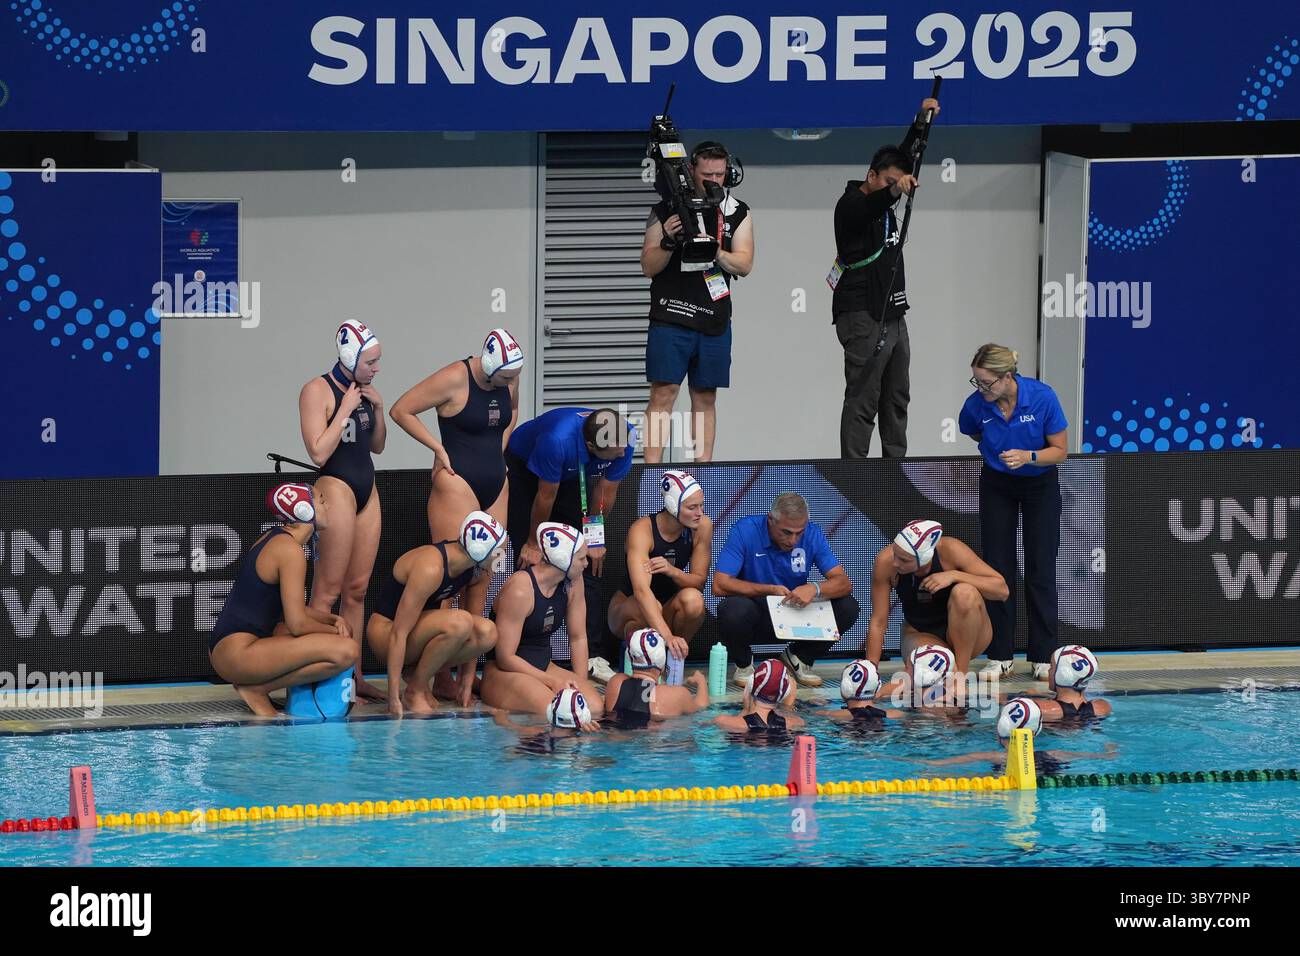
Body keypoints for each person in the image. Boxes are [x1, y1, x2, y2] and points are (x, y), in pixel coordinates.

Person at [389, 328, 524, 702]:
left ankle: (465, 680)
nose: (511, 383)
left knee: (483, 578)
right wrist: (438, 449)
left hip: (496, 485)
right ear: (492, 364)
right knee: (449, 584)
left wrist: (499, 454)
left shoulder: (509, 374)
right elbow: (401, 409)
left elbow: (511, 414)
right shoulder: (454, 377)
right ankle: (434, 676)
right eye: (507, 378)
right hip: (455, 482)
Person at [831, 96, 941, 459]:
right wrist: (896, 189)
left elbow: (904, 157)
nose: (896, 187)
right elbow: (872, 204)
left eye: (900, 181)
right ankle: (855, 476)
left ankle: (895, 473)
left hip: (893, 312)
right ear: (871, 176)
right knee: (863, 398)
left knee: (897, 397)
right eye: (889, 182)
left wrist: (919, 122)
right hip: (862, 314)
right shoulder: (852, 204)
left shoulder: (886, 189)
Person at [958, 344, 1069, 679]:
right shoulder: (976, 406)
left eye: (987, 383)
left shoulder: (1042, 398)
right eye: (976, 382)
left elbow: (1060, 451)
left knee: (1041, 564)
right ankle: (1000, 653)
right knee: (997, 568)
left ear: (1008, 377)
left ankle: (1042, 654)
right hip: (997, 485)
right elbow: (973, 431)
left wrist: (1028, 457)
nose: (982, 389)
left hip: (1040, 483)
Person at [641, 141, 754, 464]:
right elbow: (648, 266)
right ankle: (650, 469)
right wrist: (667, 238)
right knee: (663, 394)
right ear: (691, 171)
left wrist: (715, 249)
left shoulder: (737, 211)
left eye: (720, 174)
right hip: (671, 315)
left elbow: (744, 264)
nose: (713, 181)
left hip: (714, 320)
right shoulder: (665, 209)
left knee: (705, 395)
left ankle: (702, 469)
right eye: (707, 174)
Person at [504, 406, 635, 681]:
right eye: (617, 451)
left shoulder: (625, 437)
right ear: (591, 446)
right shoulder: (557, 440)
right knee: (527, 555)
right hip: (527, 466)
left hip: (577, 475)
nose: (624, 453)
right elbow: (545, 497)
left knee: (586, 558)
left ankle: (593, 655)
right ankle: (515, 652)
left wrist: (594, 538)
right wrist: (532, 543)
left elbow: (605, 490)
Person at [209, 483, 358, 717]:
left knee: (297, 631)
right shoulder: (289, 551)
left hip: (229, 649)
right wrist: (336, 633)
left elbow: (292, 609)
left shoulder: (276, 539)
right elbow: (298, 625)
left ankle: (257, 687)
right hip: (238, 654)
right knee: (346, 650)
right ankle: (258, 688)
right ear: (302, 510)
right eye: (321, 500)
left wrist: (332, 619)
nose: (327, 505)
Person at [298, 320, 386, 701]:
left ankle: (354, 676)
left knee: (357, 589)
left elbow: (378, 446)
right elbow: (317, 451)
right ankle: (311, 679)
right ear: (349, 358)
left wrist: (377, 409)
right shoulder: (317, 390)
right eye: (370, 362)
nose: (376, 368)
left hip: (368, 490)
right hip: (335, 486)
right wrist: (345, 408)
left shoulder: (367, 392)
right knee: (326, 593)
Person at [713, 492, 860, 688]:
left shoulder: (813, 534)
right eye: (786, 532)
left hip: (794, 612)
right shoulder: (745, 530)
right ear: (770, 520)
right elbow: (720, 584)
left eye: (799, 533)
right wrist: (769, 589)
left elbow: (844, 583)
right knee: (732, 608)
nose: (793, 540)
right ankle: (744, 665)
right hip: (757, 615)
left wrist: (814, 588)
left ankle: (799, 658)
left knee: (848, 606)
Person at [365, 512, 505, 716]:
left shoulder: (472, 570)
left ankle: (417, 677)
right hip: (385, 634)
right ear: (481, 550)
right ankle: (414, 690)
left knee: (487, 632)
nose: (500, 557)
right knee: (460, 622)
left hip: (415, 634)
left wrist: (465, 684)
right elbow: (399, 632)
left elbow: (477, 626)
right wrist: (393, 698)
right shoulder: (431, 568)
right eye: (498, 551)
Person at [479, 522, 605, 718]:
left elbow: (578, 638)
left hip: (543, 666)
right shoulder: (520, 590)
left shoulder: (573, 583)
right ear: (563, 560)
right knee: (557, 712)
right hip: (504, 672)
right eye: (581, 559)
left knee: (593, 708)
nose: (586, 564)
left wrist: (580, 687)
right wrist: (550, 681)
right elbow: (505, 658)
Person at [861, 520, 1009, 674]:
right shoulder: (886, 561)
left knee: (965, 593)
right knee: (931, 669)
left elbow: (1002, 590)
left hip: (970, 635)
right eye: (895, 554)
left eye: (904, 560)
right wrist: (870, 670)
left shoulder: (951, 551)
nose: (896, 563)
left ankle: (960, 675)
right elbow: (878, 621)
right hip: (920, 633)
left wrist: (954, 576)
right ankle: (950, 673)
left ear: (925, 557)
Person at [607, 469, 712, 666]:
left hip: (668, 607)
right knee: (650, 605)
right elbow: (641, 591)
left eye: (701, 505)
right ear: (672, 506)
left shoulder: (702, 526)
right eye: (692, 507)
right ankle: (644, 659)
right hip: (629, 609)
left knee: (694, 601)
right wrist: (667, 637)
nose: (700, 513)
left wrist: (672, 571)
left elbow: (699, 582)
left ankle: (674, 657)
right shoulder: (642, 530)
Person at [918, 698, 1118, 775]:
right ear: (1036, 733)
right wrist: (1109, 747)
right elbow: (1105, 758)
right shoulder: (1057, 753)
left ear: (998, 733)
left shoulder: (992, 757)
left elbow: (936, 766)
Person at [602, 628, 710, 728]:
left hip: (614, 736)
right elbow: (701, 708)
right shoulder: (675, 694)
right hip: (652, 744)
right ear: (662, 663)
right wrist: (701, 682)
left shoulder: (615, 682)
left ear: (630, 657)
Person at [713, 659, 804, 735]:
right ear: (785, 693)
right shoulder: (798, 723)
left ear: (750, 685)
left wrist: (745, 709)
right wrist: (788, 706)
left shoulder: (723, 721)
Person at [1026, 645, 1112, 723]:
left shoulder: (1040, 709)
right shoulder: (1102, 707)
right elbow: (1072, 705)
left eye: (1052, 666)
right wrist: (1043, 695)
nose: (1049, 671)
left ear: (1062, 675)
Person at [814, 660, 902, 726]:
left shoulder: (834, 714)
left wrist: (809, 706)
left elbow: (812, 714)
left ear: (845, 687)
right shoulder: (894, 714)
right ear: (877, 687)